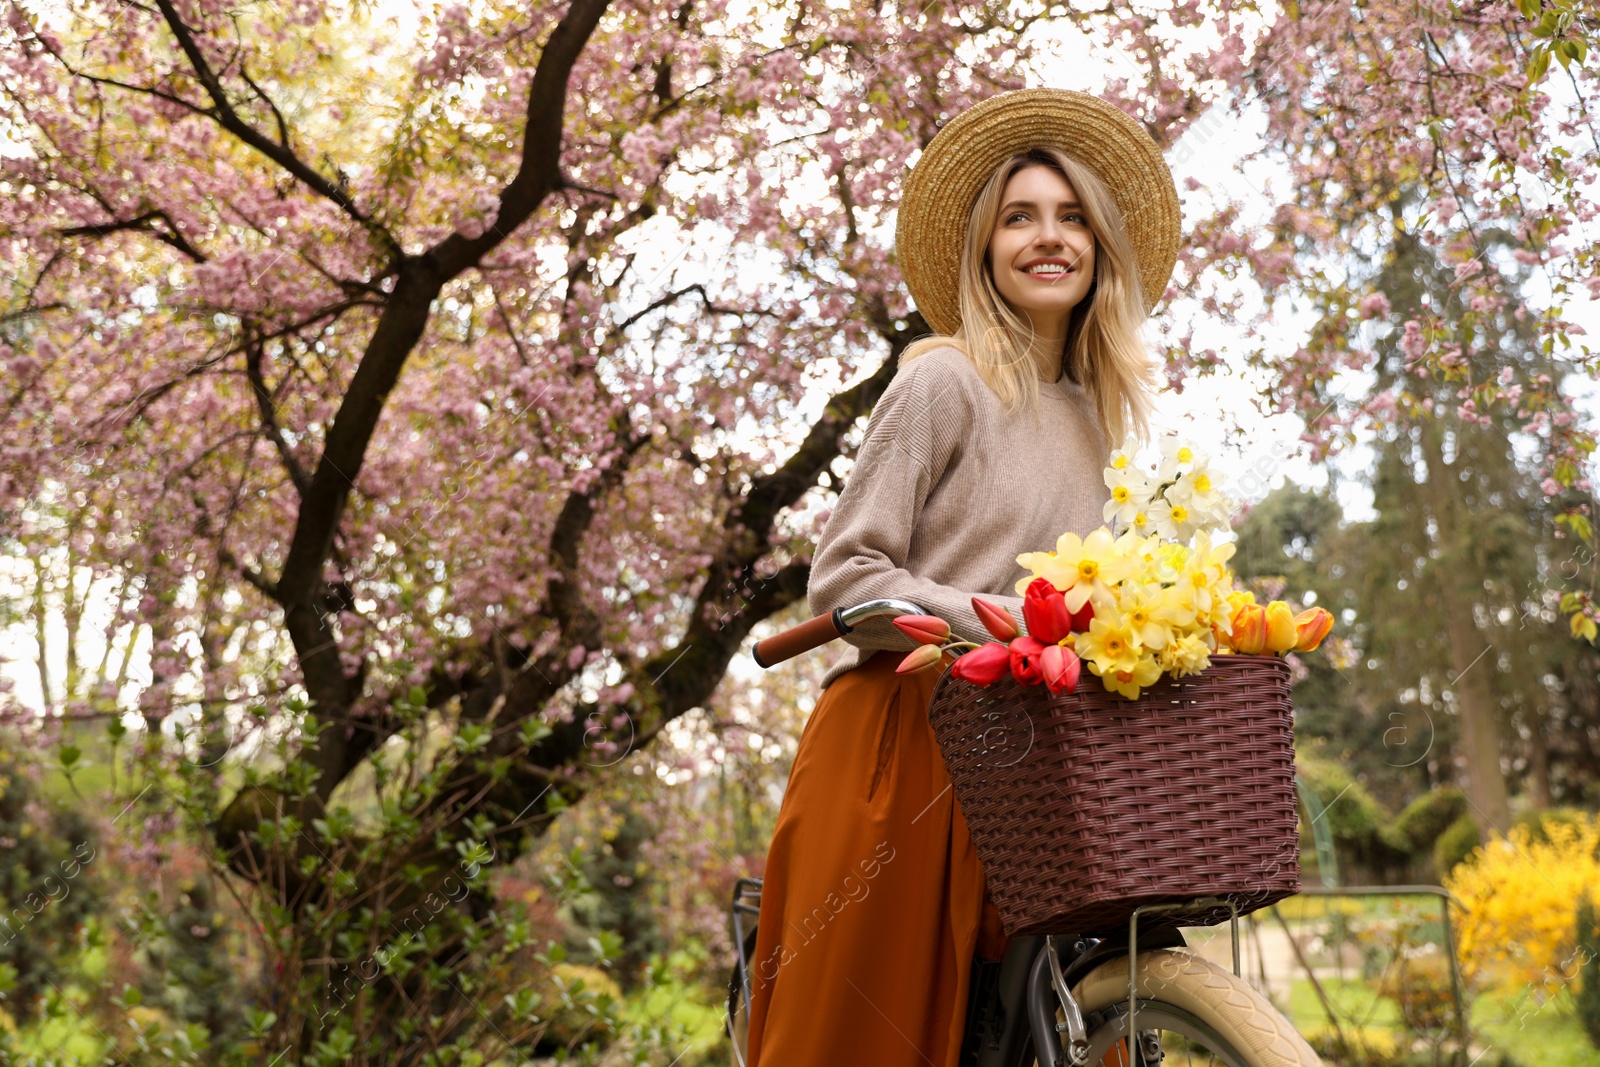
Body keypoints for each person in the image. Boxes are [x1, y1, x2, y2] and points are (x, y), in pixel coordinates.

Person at [743, 88, 1182, 1067]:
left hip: (1028, 761)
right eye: (1018, 217)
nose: (1047, 237)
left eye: (1071, 217)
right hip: (899, 740)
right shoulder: (939, 379)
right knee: (870, 1036)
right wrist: (997, 623)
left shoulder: (1094, 416)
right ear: (984, 247)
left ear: (1101, 247)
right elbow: (844, 575)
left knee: (1043, 1026)